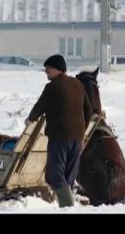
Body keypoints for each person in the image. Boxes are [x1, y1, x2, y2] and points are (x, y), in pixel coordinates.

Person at [26, 54, 93, 207]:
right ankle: (67, 206)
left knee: (54, 174)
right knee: (68, 175)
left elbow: (40, 106)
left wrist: (30, 119)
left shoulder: (52, 87)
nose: (46, 72)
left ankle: (67, 205)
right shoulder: (78, 84)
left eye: (48, 68)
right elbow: (89, 111)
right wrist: (82, 129)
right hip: (77, 138)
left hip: (59, 137)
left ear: (57, 69)